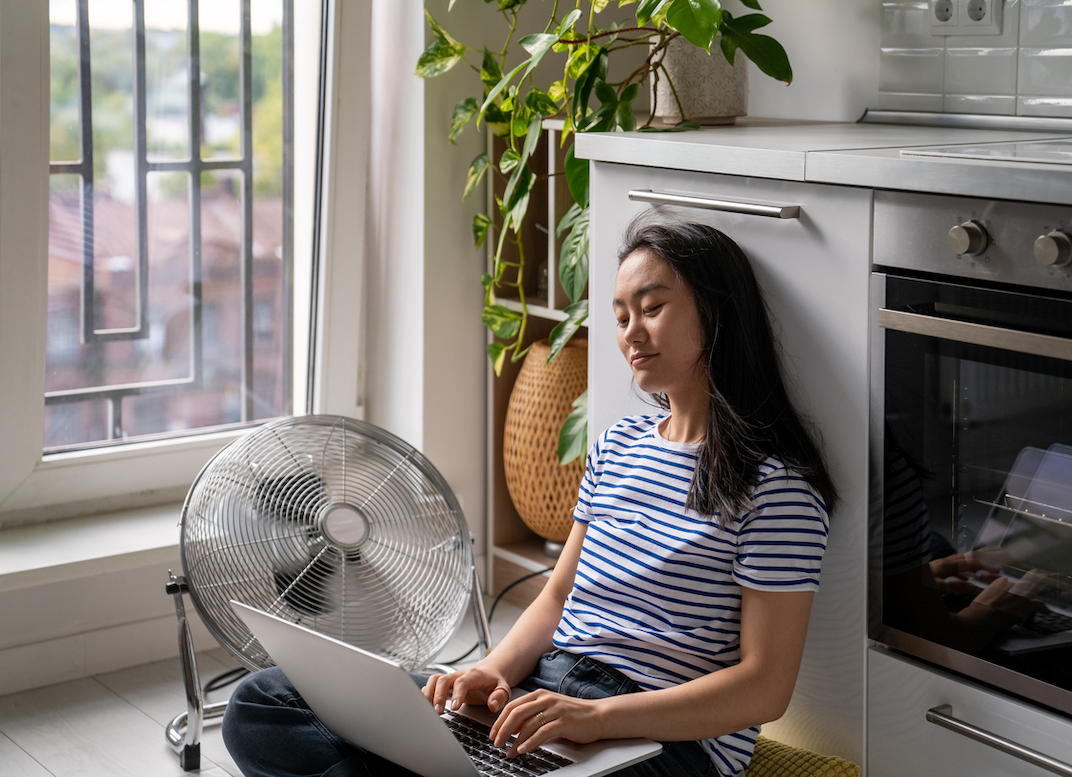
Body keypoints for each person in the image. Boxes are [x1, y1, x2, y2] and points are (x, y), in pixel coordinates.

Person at [222, 215, 838, 777]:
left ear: (718, 313)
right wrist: (491, 671)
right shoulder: (619, 445)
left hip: (659, 740)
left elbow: (763, 688)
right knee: (260, 705)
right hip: (541, 696)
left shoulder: (776, 489)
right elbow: (560, 595)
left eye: (652, 308)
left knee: (361, 764)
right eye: (620, 316)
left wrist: (595, 720)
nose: (631, 334)